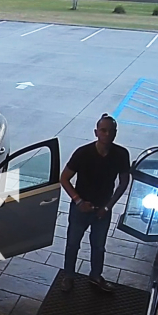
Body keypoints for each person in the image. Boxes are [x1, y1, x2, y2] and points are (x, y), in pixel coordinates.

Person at [60, 114, 130, 292]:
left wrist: (108, 207)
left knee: (98, 246)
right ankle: (69, 276)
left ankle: (95, 276)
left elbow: (123, 182)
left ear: (115, 134)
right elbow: (64, 178)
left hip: (102, 210)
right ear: (96, 132)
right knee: (73, 243)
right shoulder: (83, 153)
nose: (107, 134)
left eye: (111, 131)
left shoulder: (121, 154)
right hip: (80, 209)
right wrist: (78, 201)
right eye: (103, 130)